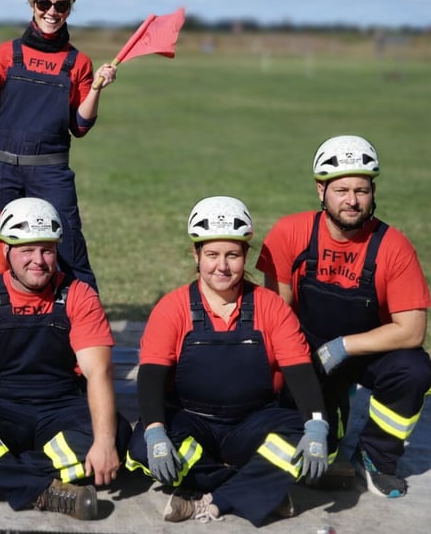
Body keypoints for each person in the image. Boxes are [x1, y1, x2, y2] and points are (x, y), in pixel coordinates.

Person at [126, 196, 329, 526]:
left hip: (253, 424)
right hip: (192, 422)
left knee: (308, 433)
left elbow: (300, 371)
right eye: (212, 255)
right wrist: (154, 432)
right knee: (140, 447)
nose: (222, 266)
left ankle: (212, 498)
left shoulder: (272, 307)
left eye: (232, 255)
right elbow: (150, 376)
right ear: (196, 254)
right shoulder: (172, 308)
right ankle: (257, 487)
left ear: (245, 255)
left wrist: (317, 426)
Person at [256, 135, 431, 499]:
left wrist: (343, 347)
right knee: (314, 459)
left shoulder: (393, 247)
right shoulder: (290, 233)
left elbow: (412, 331)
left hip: (367, 352)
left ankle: (375, 457)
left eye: (361, 190)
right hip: (305, 352)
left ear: (373, 192)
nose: (352, 201)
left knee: (413, 370)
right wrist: (298, 369)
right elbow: (276, 315)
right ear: (321, 191)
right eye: (341, 190)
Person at [0, 197, 128, 521]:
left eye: (47, 250)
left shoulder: (79, 295)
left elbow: (99, 372)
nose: (39, 261)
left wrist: (103, 442)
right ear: (5, 250)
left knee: (114, 433)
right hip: (1, 407)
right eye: (26, 250)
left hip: (63, 406)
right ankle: (48, 491)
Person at [0, 0, 116, 292]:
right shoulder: (8, 52)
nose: (52, 12)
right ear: (32, 4)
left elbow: (80, 126)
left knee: (69, 251)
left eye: (61, 5)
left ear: (70, 8)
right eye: (44, 3)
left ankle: (84, 330)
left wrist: (97, 89)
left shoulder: (79, 63)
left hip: (50, 174)